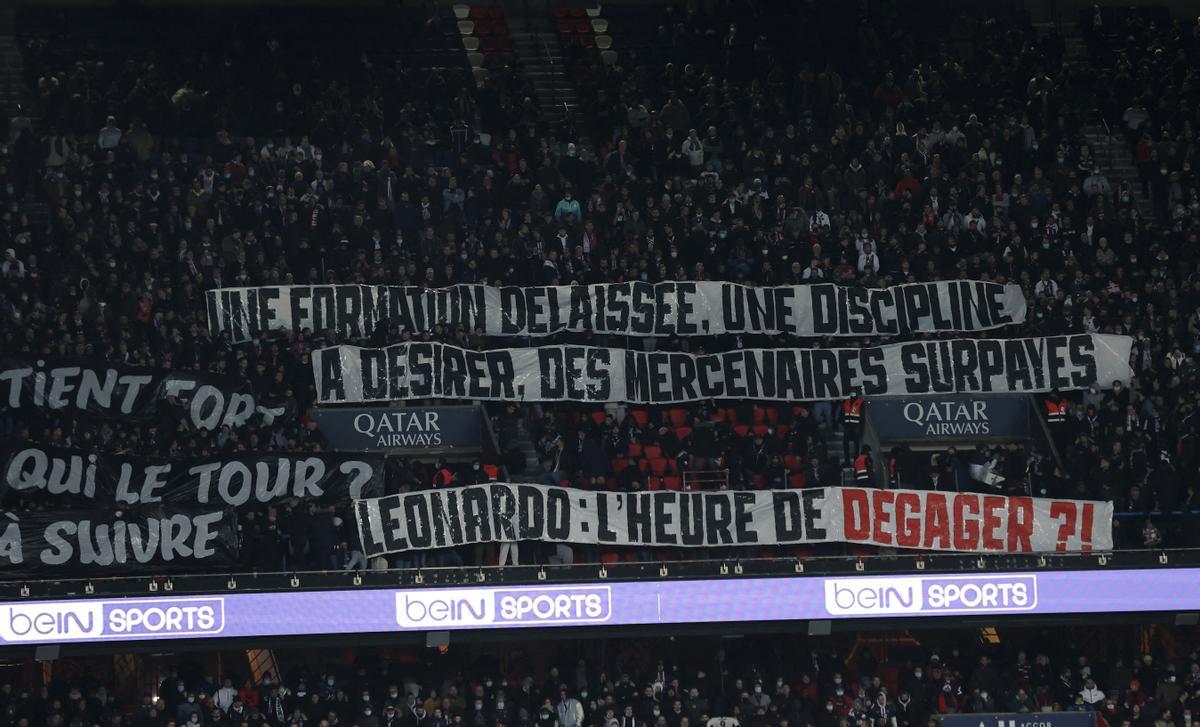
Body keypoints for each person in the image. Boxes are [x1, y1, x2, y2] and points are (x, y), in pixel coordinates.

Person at [839, 390, 864, 464]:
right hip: (847, 427)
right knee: (845, 444)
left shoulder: (861, 403)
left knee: (856, 445)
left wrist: (861, 428)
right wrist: (842, 422)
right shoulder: (846, 402)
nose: (852, 394)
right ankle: (847, 461)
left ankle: (855, 460)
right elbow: (842, 413)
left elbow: (862, 416)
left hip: (856, 427)